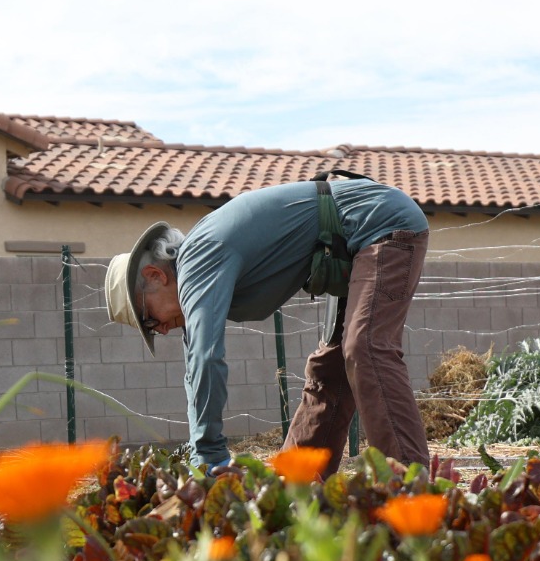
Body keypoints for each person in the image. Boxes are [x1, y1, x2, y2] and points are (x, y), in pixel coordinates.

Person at [103, 177, 431, 471]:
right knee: (329, 370)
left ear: (155, 275)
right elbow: (193, 373)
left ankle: (411, 485)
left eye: (149, 320)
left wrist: (210, 453)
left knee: (365, 347)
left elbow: (207, 358)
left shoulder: (198, 259)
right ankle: (295, 485)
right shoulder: (195, 270)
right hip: (351, 247)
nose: (161, 330)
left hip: (381, 224)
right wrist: (199, 453)